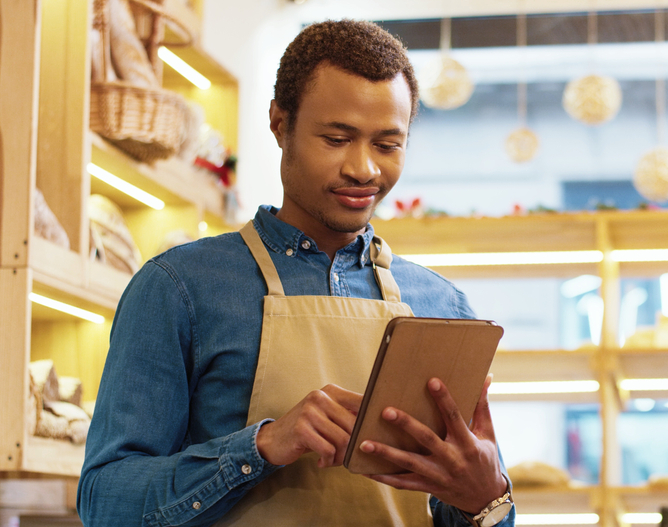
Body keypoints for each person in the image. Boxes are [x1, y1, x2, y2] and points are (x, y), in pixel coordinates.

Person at [78, 19, 515, 527]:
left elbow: (477, 514)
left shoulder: (444, 306)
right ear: (279, 124)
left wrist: (486, 497)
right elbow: (104, 503)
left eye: (388, 145)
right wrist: (262, 445)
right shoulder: (177, 289)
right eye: (337, 138)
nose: (364, 169)